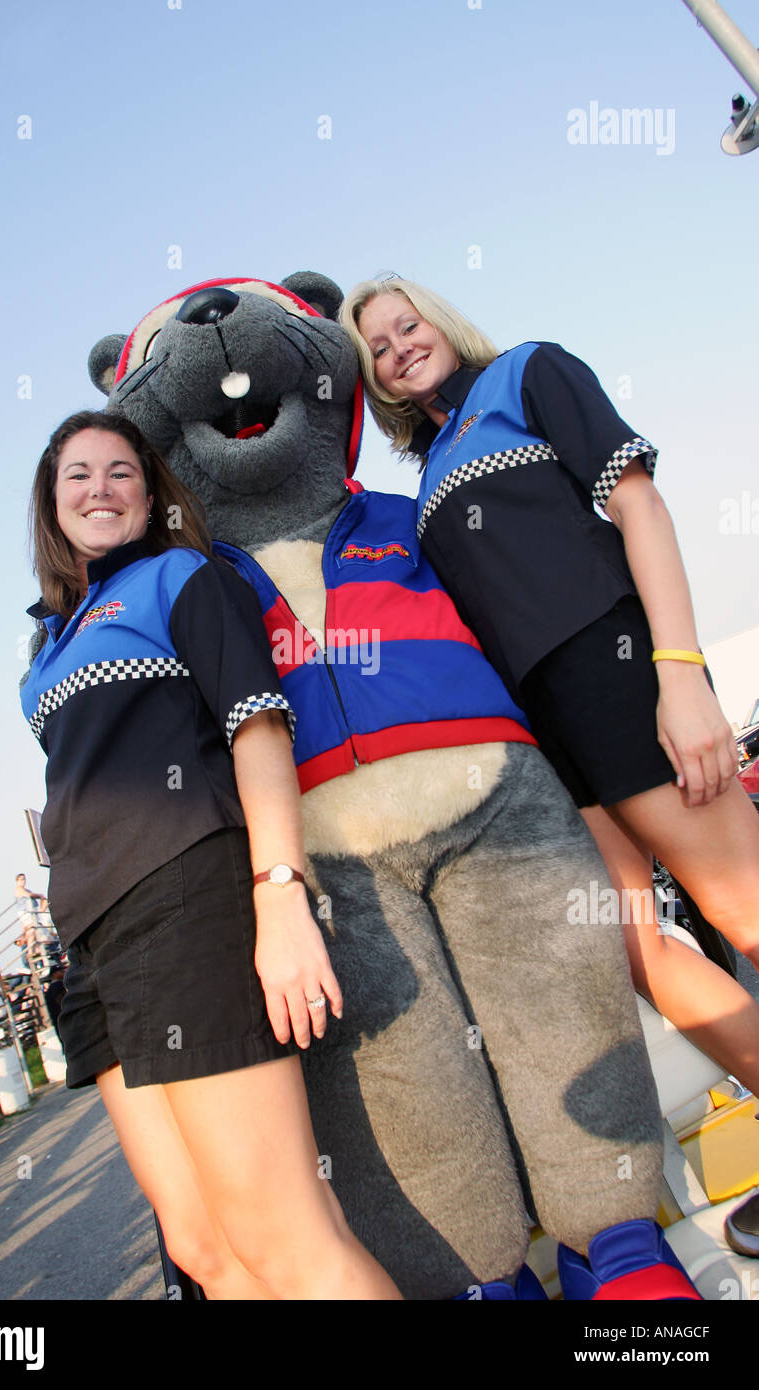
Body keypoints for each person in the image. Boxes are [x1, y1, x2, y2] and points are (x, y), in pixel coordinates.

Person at [342, 275, 759, 1096]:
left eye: (407, 325)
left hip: (618, 670)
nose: (399, 351)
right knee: (636, 947)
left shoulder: (528, 373)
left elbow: (640, 507)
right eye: (378, 351)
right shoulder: (423, 482)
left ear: (442, 319)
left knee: (741, 905)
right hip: (540, 728)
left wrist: (679, 675)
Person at [20, 407, 399, 1300]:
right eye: (78, 474)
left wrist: (279, 892)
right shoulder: (43, 650)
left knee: (288, 1243)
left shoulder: (179, 578)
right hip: (90, 951)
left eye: (121, 472)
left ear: (151, 499)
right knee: (203, 1250)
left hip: (184, 900)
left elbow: (258, 728)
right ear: (52, 504)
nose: (100, 488)